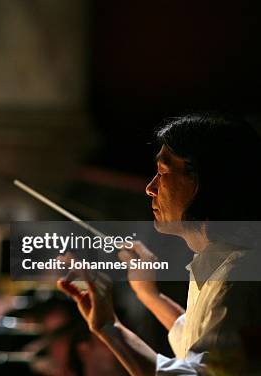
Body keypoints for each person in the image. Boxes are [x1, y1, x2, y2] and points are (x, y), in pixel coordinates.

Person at [57, 114, 261, 375]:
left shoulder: (238, 278)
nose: (150, 188)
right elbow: (196, 339)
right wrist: (148, 294)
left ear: (203, 180)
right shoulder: (222, 265)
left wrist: (109, 327)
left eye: (163, 172)